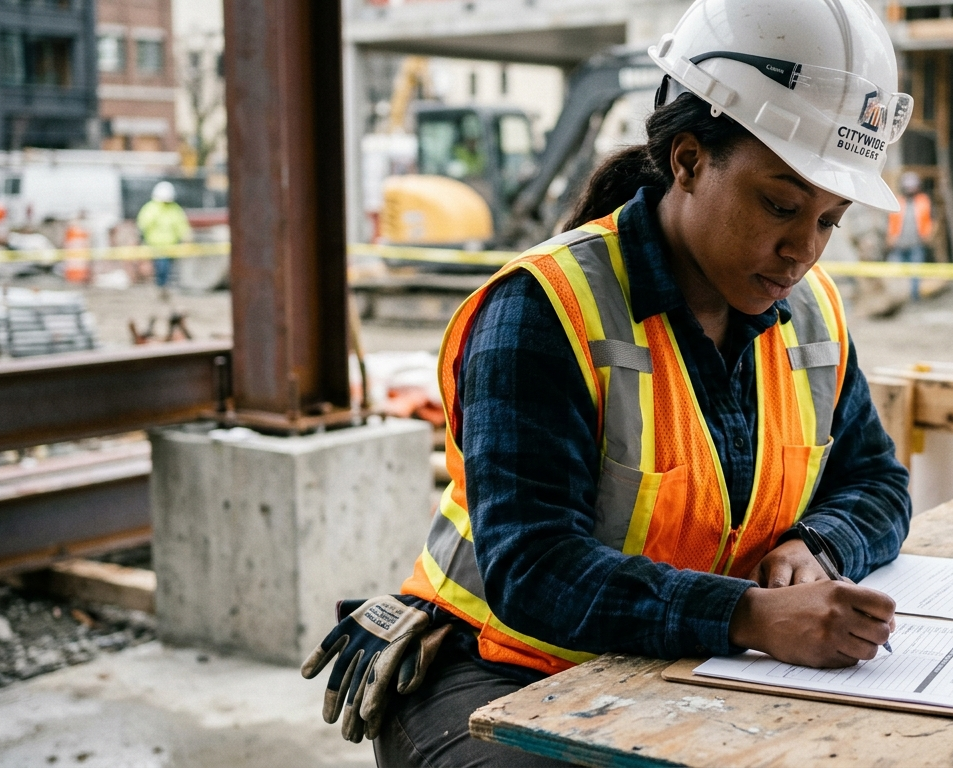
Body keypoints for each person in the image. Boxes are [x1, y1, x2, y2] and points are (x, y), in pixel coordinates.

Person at [301, 0, 915, 765]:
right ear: (689, 160)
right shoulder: (543, 310)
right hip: (501, 667)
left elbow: (879, 484)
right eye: (782, 205)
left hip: (684, 658)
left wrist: (816, 544)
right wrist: (750, 617)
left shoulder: (810, 314)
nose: (802, 251)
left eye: (830, 219)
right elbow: (536, 568)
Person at [136, 181, 191, 297]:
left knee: (166, 268)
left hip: (170, 246)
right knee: (161, 267)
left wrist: (186, 237)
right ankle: (161, 287)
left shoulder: (174, 209)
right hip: (155, 245)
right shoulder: (151, 208)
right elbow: (143, 224)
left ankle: (162, 287)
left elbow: (181, 225)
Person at [885, 171, 933, 299]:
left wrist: (927, 234)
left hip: (917, 243)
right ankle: (896, 297)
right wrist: (890, 237)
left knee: (915, 273)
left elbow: (928, 219)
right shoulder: (898, 201)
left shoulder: (923, 200)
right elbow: (892, 221)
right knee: (895, 272)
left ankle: (914, 298)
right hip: (899, 243)